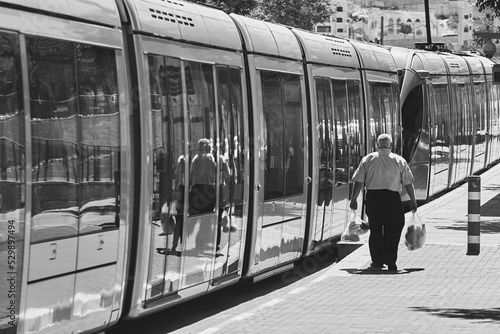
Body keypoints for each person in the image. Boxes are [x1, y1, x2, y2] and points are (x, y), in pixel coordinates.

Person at [349, 133, 417, 271]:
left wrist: (354, 198)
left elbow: (358, 182)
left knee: (375, 229)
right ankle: (390, 257)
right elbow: (408, 183)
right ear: (391, 145)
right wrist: (413, 200)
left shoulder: (368, 159)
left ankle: (377, 260)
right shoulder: (399, 160)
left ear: (377, 145)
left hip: (373, 198)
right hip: (392, 199)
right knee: (395, 226)